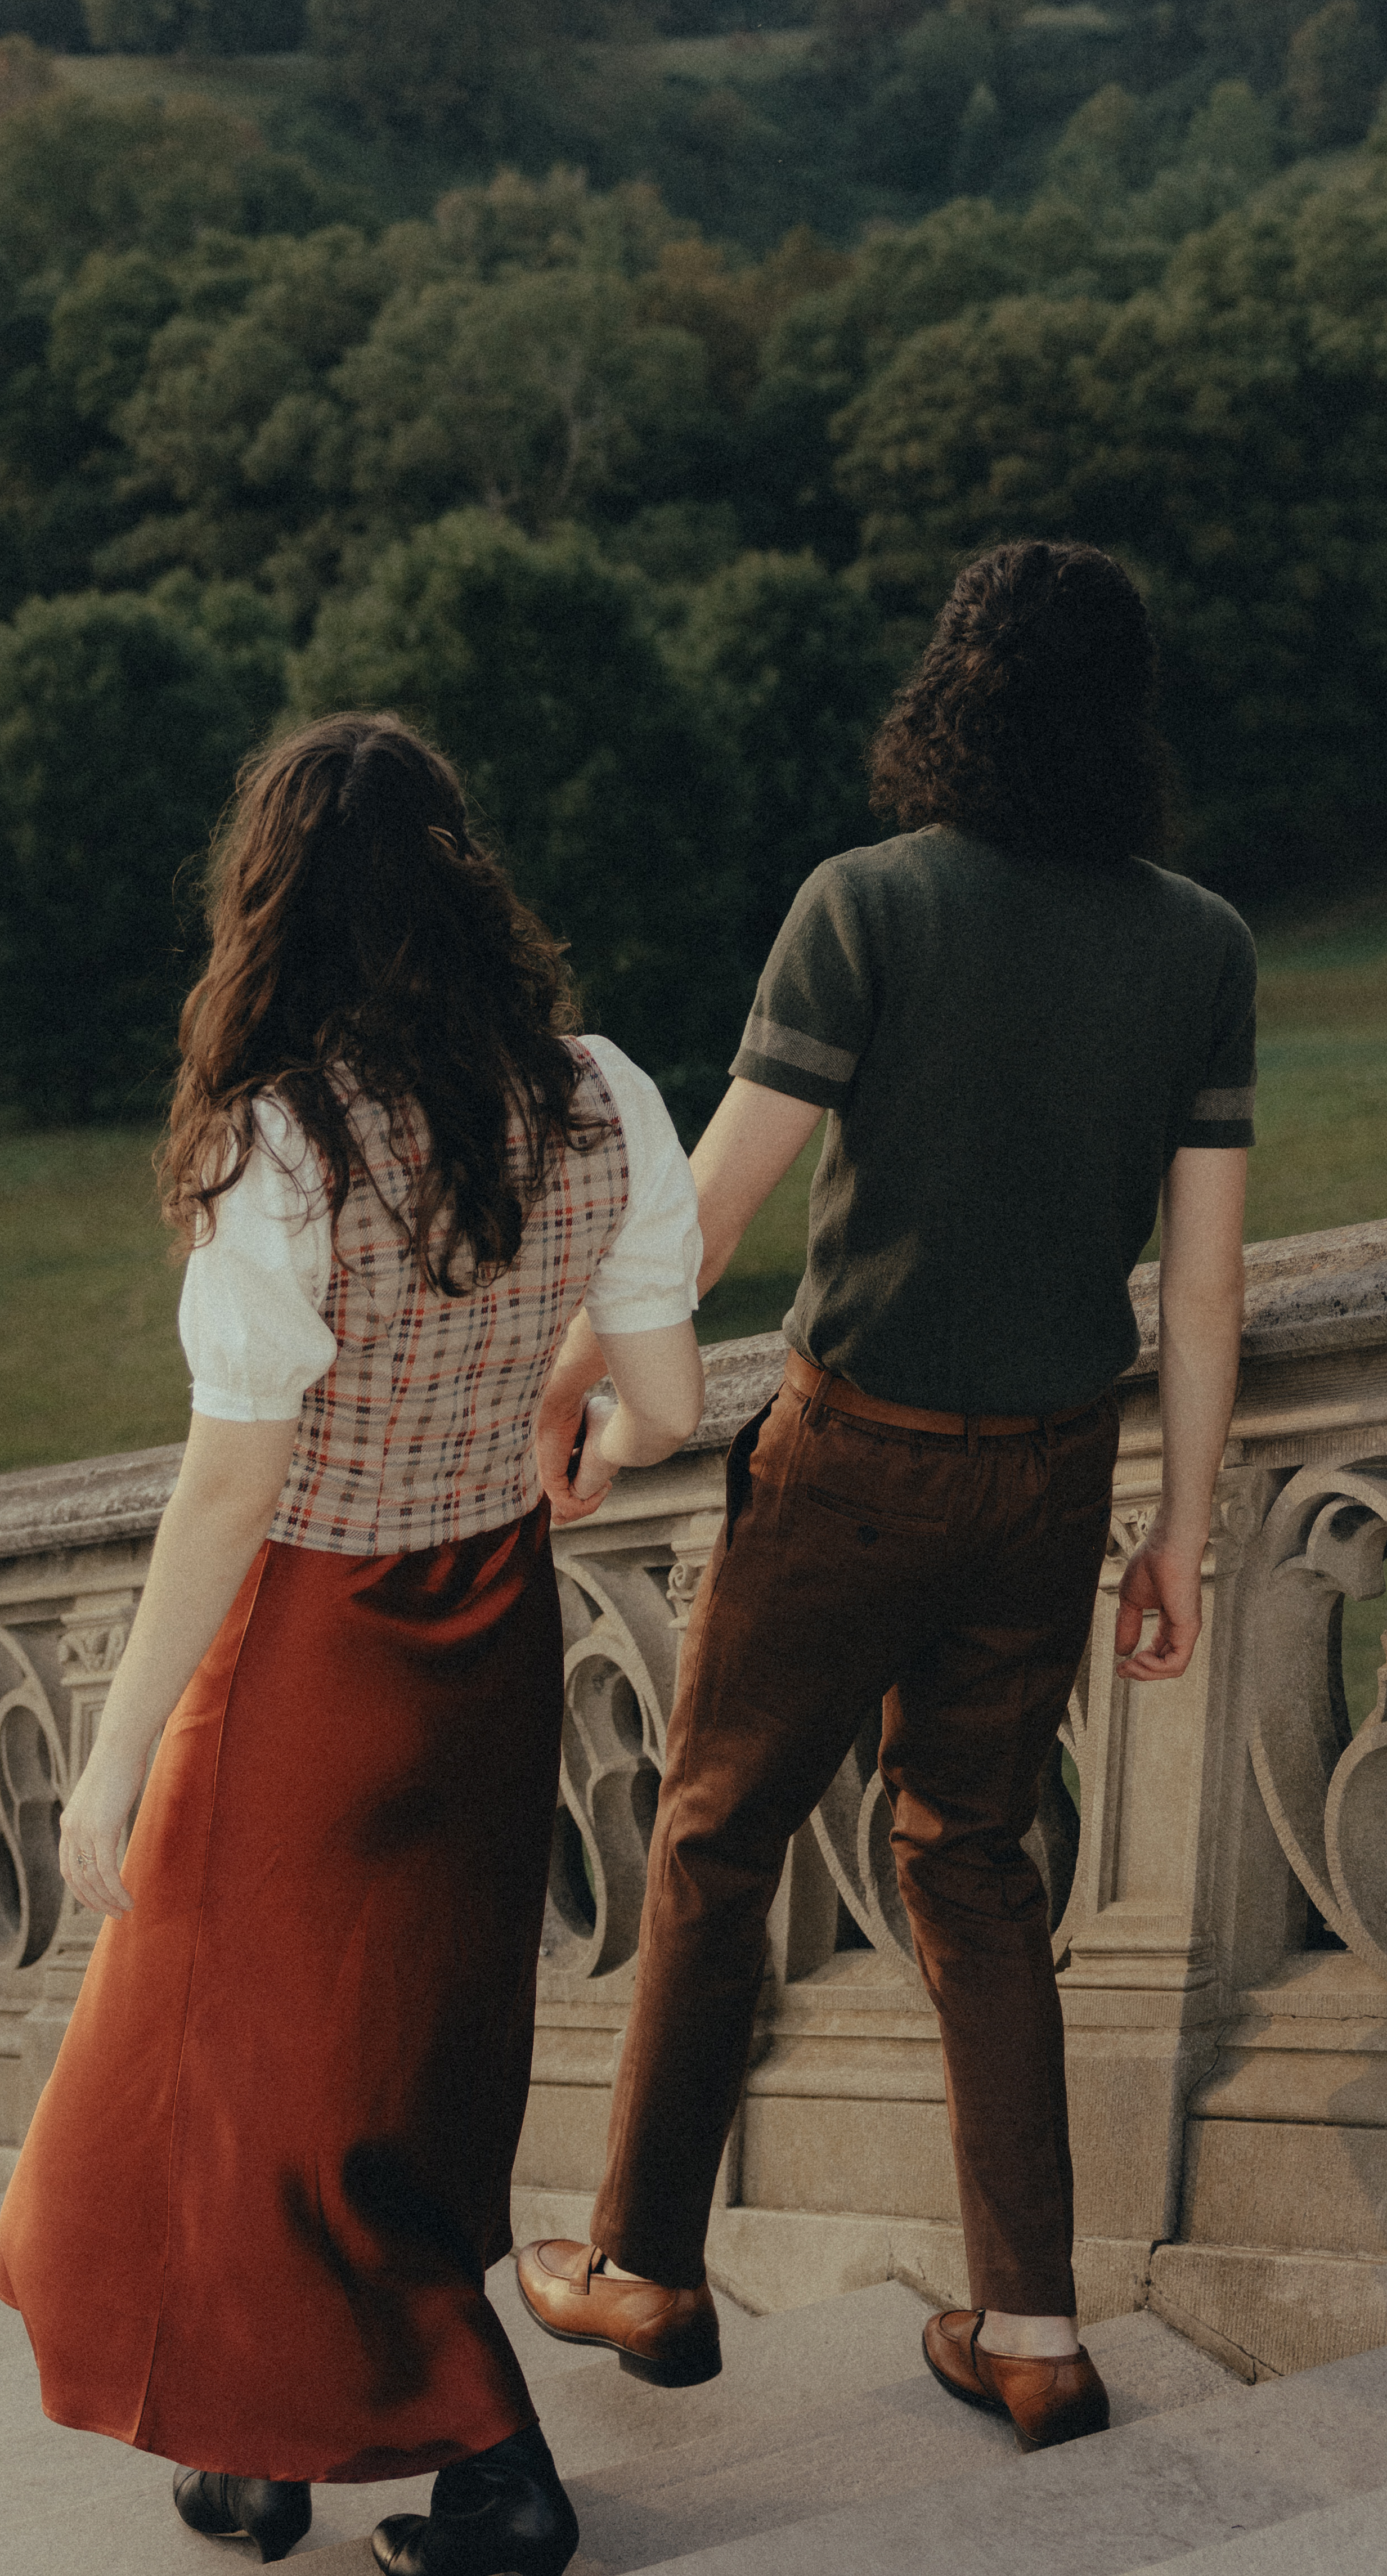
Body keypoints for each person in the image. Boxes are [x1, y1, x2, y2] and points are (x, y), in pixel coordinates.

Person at [516, 538, 1252, 2454]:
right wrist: (1179, 1526)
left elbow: (723, 1202)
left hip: (854, 1465)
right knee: (980, 1867)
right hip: (1055, 1475)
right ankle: (1029, 2324)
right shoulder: (1202, 946)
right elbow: (1205, 1282)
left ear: (955, 694)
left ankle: (647, 2267)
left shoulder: (867, 906)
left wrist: (589, 1361)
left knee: (715, 1833)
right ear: (1124, 722)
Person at [0, 711, 706, 2576]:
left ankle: (498, 2466)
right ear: (462, 882)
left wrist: (114, 1753)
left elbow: (232, 1487)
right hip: (487, 1634)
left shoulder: (275, 1142)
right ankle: (252, 2444)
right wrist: (553, 1427)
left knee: (224, 2060)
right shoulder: (600, 1093)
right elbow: (670, 1396)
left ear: (273, 908)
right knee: (374, 2051)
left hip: (312, 1647)